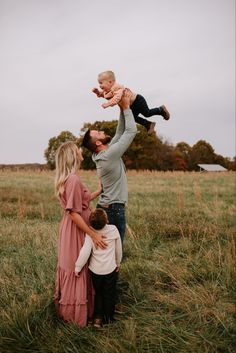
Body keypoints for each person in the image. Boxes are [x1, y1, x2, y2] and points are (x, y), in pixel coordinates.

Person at [54, 141, 107, 327]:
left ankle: (74, 314)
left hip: (72, 228)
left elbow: (81, 201)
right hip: (77, 229)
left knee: (77, 266)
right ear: (72, 155)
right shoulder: (74, 180)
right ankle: (75, 317)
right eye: (78, 151)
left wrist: (98, 191)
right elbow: (74, 212)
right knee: (78, 267)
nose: (81, 153)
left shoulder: (70, 179)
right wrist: (93, 235)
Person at [81, 91, 137, 244]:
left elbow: (120, 132)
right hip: (113, 209)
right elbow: (131, 131)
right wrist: (126, 108)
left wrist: (121, 107)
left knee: (105, 245)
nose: (102, 131)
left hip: (107, 207)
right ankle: (113, 268)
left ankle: (103, 267)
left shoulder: (103, 153)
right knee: (115, 247)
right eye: (99, 133)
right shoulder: (108, 155)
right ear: (98, 143)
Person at [75, 208, 122, 328]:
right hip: (110, 270)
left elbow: (85, 252)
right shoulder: (113, 229)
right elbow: (118, 249)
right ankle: (108, 319)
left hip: (95, 271)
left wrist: (77, 268)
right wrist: (118, 262)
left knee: (99, 294)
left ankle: (97, 319)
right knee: (109, 294)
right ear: (106, 220)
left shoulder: (91, 233)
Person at [92, 70, 170, 134]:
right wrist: (97, 93)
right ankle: (149, 124)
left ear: (110, 82)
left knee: (147, 113)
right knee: (132, 118)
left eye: (101, 83)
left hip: (138, 100)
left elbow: (116, 98)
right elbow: (105, 95)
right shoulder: (108, 90)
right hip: (131, 104)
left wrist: (107, 104)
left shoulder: (118, 88)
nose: (100, 86)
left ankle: (160, 110)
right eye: (99, 83)